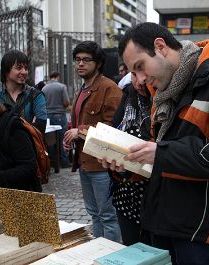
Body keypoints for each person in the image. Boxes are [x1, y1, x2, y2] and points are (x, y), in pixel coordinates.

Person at [101, 22, 209, 264]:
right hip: (162, 220)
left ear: (161, 46)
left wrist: (160, 154)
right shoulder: (163, 88)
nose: (141, 79)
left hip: (202, 228)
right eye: (134, 72)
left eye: (140, 67)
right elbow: (157, 152)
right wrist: (128, 164)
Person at [63, 41, 122, 242]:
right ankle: (98, 251)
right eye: (78, 60)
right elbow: (80, 120)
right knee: (94, 213)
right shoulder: (83, 89)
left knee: (108, 215)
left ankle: (112, 257)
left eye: (86, 60)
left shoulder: (108, 88)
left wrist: (78, 132)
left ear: (98, 63)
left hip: (102, 164)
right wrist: (72, 136)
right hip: (84, 162)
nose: (80, 64)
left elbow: (113, 126)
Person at [109, 73, 153, 246]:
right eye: (133, 74)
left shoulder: (164, 99)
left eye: (143, 73)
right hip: (126, 193)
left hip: (154, 195)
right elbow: (115, 131)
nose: (139, 81)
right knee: (131, 248)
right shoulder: (128, 97)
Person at [0, 50, 47, 134]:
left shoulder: (36, 95)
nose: (24, 72)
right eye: (19, 68)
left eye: (26, 68)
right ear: (6, 71)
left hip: (27, 145)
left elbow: (40, 127)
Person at [42, 71, 71, 168]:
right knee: (63, 137)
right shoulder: (62, 87)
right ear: (57, 77)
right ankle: (64, 161)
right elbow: (66, 102)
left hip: (48, 116)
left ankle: (52, 161)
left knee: (50, 139)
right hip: (59, 115)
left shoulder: (44, 88)